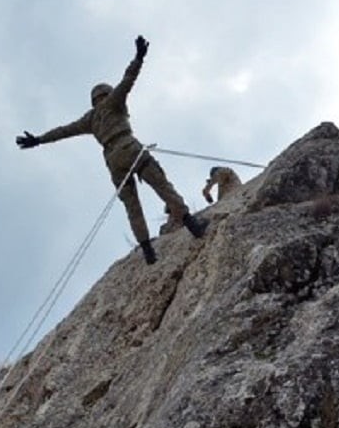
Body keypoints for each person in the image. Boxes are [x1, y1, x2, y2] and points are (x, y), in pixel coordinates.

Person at [16, 35, 207, 265]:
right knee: (161, 185)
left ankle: (148, 251)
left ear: (93, 100)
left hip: (112, 161)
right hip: (129, 147)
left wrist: (38, 140)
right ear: (106, 94)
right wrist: (138, 57)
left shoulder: (90, 118)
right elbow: (128, 80)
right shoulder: (113, 102)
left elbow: (64, 131)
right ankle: (192, 225)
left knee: (131, 205)